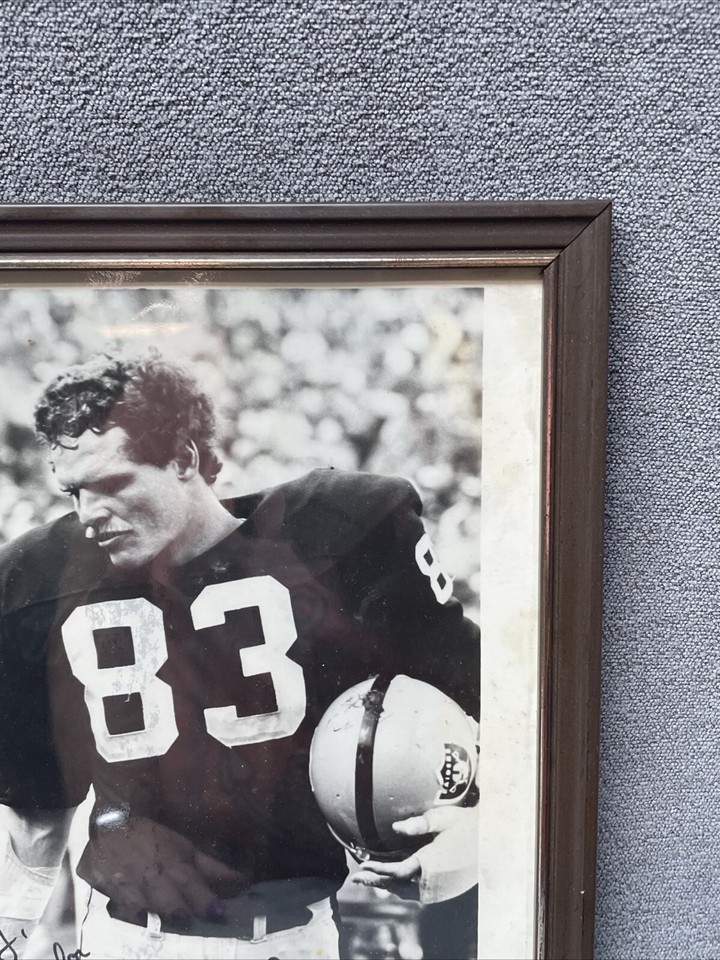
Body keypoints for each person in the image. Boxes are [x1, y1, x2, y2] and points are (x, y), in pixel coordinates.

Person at [0, 353, 480, 960]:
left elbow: (489, 702)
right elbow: (35, 820)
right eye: (75, 492)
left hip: (293, 938)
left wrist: (479, 827)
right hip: (123, 940)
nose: (89, 515)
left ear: (183, 459)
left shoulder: (341, 536)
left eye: (114, 483)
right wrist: (9, 938)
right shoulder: (37, 581)